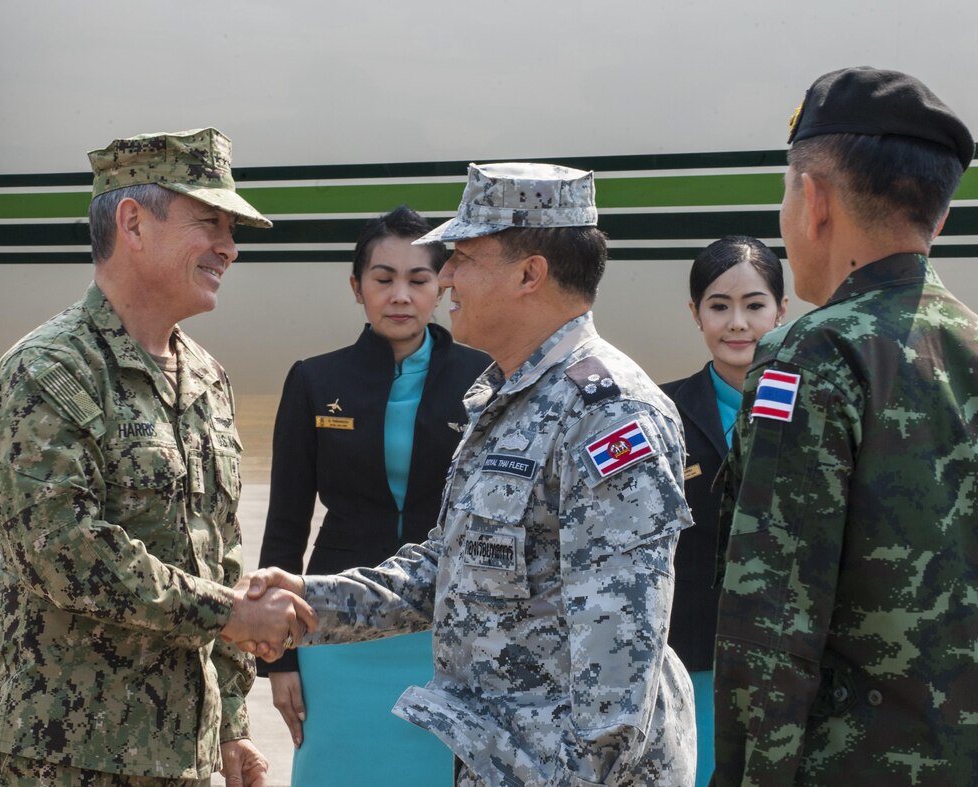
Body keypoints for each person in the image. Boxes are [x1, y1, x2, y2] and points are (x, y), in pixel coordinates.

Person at [250, 162, 697, 786]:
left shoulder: (608, 413)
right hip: (501, 761)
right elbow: (445, 569)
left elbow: (620, 661)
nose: (447, 276)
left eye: (463, 257)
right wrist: (305, 599)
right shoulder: (508, 399)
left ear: (529, 273)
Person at [0, 128, 317, 787]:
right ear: (133, 222)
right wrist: (232, 612)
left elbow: (217, 554)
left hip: (180, 761)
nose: (229, 248)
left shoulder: (207, 381)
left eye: (232, 229)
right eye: (208, 223)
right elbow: (66, 552)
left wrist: (231, 724)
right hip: (60, 759)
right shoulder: (46, 372)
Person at [712, 67, 978, 785]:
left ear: (815, 199)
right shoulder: (971, 344)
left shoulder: (812, 353)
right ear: (939, 216)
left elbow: (768, 618)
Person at [256, 205, 490, 784]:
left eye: (419, 279)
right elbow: (286, 522)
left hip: (447, 630)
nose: (400, 296)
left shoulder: (486, 378)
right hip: (333, 626)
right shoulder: (315, 380)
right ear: (357, 287)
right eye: (383, 279)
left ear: (443, 286)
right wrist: (282, 657)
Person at [660, 236, 787, 787]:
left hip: (788, 653)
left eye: (755, 305)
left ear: (783, 312)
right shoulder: (659, 410)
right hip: (691, 653)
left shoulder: (818, 406)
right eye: (719, 306)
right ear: (695, 314)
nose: (738, 323)